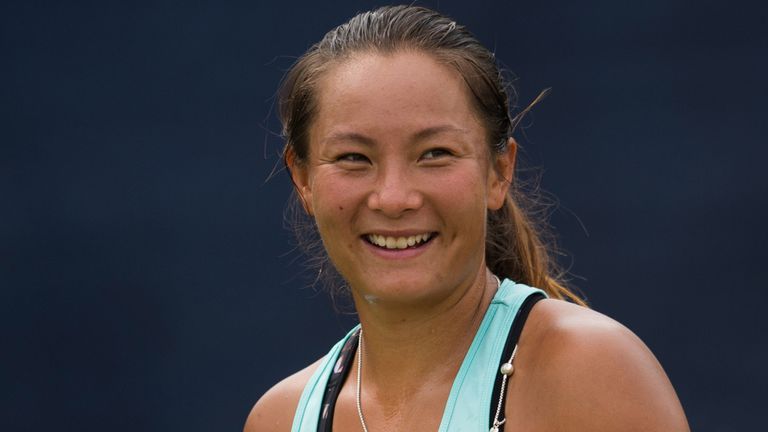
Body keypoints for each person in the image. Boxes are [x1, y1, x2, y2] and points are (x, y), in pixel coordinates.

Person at [246, 5, 689, 431]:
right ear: (302, 179)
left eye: (435, 154)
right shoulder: (278, 419)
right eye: (353, 157)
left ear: (499, 172)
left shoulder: (589, 373)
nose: (394, 198)